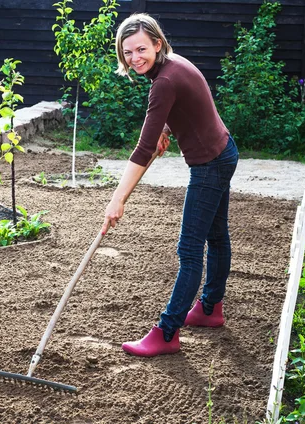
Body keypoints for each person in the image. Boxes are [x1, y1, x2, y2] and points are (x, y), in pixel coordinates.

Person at [100, 13, 239, 357]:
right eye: (128, 52)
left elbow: (142, 149)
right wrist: (167, 130)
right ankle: (209, 310)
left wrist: (118, 199)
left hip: (209, 163)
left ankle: (167, 332)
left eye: (141, 49)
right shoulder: (172, 65)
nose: (135, 58)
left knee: (190, 251)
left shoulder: (164, 82)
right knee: (216, 236)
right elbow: (188, 108)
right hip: (224, 151)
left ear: (157, 44)